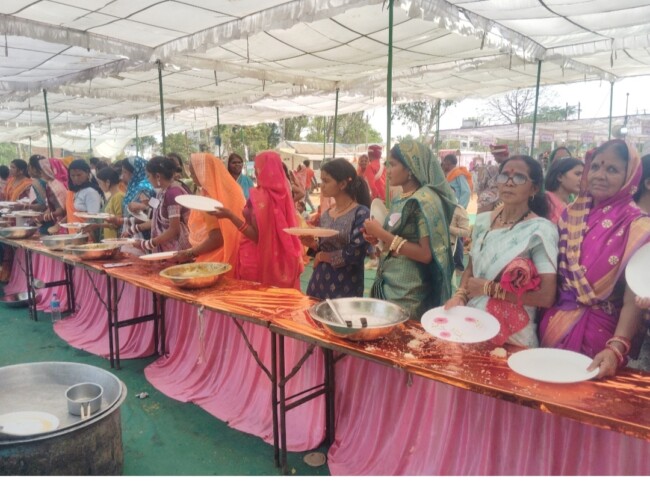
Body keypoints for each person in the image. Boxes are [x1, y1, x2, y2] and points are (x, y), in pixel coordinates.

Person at [539, 140, 650, 378]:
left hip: (601, 338)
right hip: (555, 325)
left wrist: (615, 348)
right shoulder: (571, 215)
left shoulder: (639, 226)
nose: (600, 175)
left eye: (612, 169)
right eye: (596, 166)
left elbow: (633, 299)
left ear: (630, 177)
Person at [445, 155, 558, 347]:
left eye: (519, 177)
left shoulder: (539, 231)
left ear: (534, 188)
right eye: (504, 176)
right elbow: (471, 268)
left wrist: (489, 289)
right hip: (473, 321)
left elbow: (546, 296)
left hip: (513, 334)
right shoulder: (483, 221)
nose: (509, 183)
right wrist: (460, 296)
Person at [362, 140, 456, 320]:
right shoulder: (400, 198)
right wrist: (376, 237)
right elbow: (396, 239)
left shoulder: (423, 200)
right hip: (389, 280)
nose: (388, 170)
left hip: (408, 291)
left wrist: (381, 233)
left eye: (393, 165)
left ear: (410, 168)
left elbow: (425, 254)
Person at [212, 151, 303, 289]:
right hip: (281, 259)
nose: (255, 173)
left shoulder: (260, 197)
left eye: (257, 169)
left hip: (255, 258)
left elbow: (256, 236)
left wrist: (230, 216)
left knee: (258, 298)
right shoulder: (283, 194)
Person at [300, 158, 370, 298]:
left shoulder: (360, 213)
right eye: (322, 180)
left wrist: (323, 256)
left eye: (326, 181)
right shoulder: (326, 214)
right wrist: (312, 244)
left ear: (342, 184)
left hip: (346, 284)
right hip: (319, 281)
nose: (322, 185)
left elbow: (355, 253)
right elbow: (324, 247)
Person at [174, 153, 245, 264]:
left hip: (216, 260)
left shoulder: (210, 198)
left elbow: (216, 238)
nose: (191, 176)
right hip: (236, 252)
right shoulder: (233, 189)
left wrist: (190, 253)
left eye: (193, 173)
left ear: (203, 172)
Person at [129, 157, 191, 253]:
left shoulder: (173, 193)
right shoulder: (161, 192)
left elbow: (174, 230)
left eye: (148, 176)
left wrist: (147, 244)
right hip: (168, 249)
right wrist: (134, 229)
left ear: (158, 176)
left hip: (178, 250)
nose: (148, 180)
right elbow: (156, 217)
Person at [109, 156, 156, 241]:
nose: (122, 176)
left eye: (125, 172)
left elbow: (147, 216)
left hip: (141, 235)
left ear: (134, 172)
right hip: (130, 230)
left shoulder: (144, 188)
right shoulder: (134, 187)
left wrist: (121, 221)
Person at [441, 153, 473, 273]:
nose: (443, 165)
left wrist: (460, 208)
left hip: (456, 209)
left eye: (445, 163)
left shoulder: (458, 174)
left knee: (458, 237)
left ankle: (458, 265)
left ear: (449, 163)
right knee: (451, 236)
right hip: (448, 208)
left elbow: (466, 192)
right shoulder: (448, 174)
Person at [65, 159, 105, 238]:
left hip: (87, 236)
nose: (76, 178)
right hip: (76, 234)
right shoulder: (76, 189)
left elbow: (94, 217)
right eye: (72, 175)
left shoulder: (90, 192)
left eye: (79, 175)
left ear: (87, 173)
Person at [28, 156, 68, 231]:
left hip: (63, 222)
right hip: (60, 221)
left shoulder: (56, 186)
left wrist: (43, 217)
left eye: (43, 171)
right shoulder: (51, 183)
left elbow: (61, 209)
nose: (41, 174)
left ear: (49, 170)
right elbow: (51, 205)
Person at [87, 167, 124, 240]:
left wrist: (98, 225)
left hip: (115, 239)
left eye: (100, 183)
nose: (99, 186)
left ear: (108, 182)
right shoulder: (112, 197)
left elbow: (118, 223)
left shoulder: (118, 197)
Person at [544, 157, 584, 224]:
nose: (582, 179)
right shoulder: (545, 201)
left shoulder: (572, 204)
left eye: (583, 175)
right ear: (559, 177)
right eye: (577, 174)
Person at [476, 144, 509, 213]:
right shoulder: (497, 167)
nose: (494, 158)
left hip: (494, 196)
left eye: (495, 156)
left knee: (485, 198)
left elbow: (481, 185)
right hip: (503, 195)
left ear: (501, 155)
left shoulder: (491, 169)